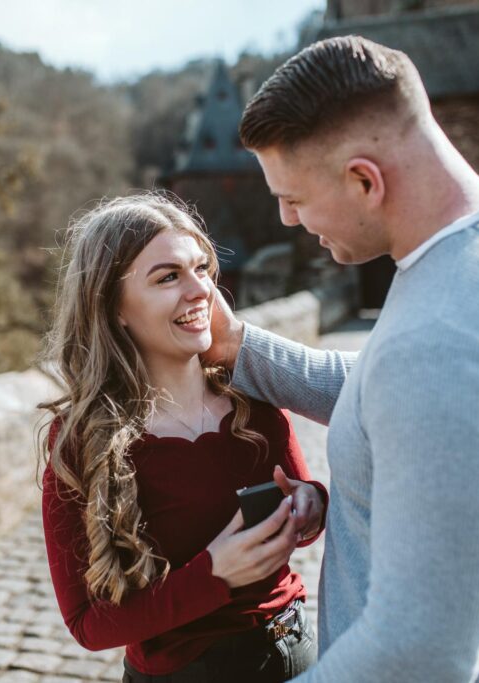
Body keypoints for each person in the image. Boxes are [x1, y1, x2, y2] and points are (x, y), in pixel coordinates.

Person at [202, 36, 479, 682]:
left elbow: (418, 656)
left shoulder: (444, 344)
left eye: (293, 197)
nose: (287, 218)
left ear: (364, 180)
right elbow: (385, 390)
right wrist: (240, 347)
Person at [38, 193, 329, 682]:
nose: (201, 291)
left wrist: (312, 504)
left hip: (300, 655)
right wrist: (213, 575)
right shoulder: (83, 440)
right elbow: (88, 623)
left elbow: (303, 514)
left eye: (201, 269)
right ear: (113, 307)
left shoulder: (254, 401)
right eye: (168, 277)